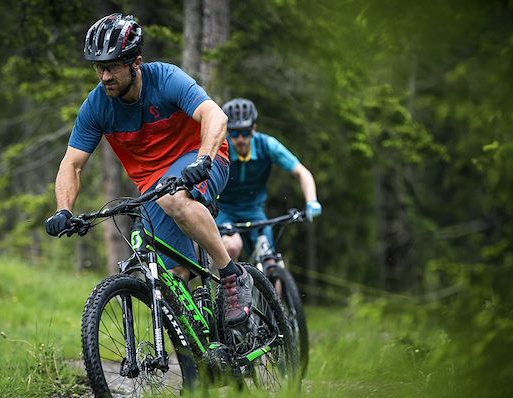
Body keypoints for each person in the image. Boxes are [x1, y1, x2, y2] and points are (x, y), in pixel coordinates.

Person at [45, 14, 252, 326]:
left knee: (174, 198)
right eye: (99, 67)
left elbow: (216, 117)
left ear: (135, 62)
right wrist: (64, 209)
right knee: (173, 283)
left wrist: (203, 160)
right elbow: (71, 164)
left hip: (201, 159)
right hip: (154, 188)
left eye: (112, 65)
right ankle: (204, 362)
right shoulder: (96, 105)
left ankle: (230, 274)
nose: (104, 76)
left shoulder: (166, 79)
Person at [216, 98, 322, 261]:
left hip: (254, 210)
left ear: (253, 129)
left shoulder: (267, 145)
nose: (240, 139)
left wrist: (311, 200)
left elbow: (302, 172)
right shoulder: (221, 148)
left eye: (245, 132)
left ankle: (273, 282)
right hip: (224, 209)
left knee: (270, 260)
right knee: (232, 246)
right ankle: (230, 284)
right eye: (235, 133)